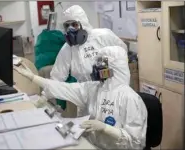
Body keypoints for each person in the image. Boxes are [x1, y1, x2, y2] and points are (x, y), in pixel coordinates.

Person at [14, 46, 147, 149]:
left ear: (115, 69)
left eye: (101, 65)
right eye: (97, 63)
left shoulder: (130, 99)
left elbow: (136, 143)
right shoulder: (93, 88)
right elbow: (62, 88)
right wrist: (33, 77)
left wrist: (106, 129)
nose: (96, 68)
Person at [49, 5, 128, 115]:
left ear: (83, 23)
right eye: (67, 26)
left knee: (114, 126)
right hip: (88, 100)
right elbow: (56, 77)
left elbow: (122, 52)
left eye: (75, 24)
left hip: (112, 94)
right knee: (87, 129)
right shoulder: (68, 49)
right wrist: (44, 97)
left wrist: (110, 69)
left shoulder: (103, 36)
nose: (70, 29)